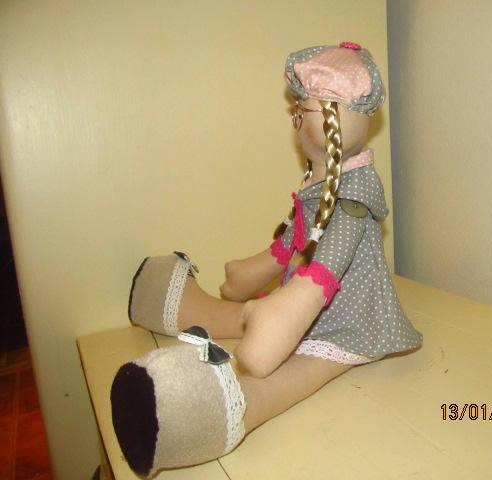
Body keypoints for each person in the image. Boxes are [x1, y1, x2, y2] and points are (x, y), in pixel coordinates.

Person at [112, 42, 423, 478]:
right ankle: (189, 308)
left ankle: (228, 407)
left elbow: (325, 268)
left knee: (294, 372)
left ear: (329, 122)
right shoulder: (321, 185)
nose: (296, 122)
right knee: (260, 318)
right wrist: (252, 273)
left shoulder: (353, 196)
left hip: (353, 324)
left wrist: (285, 313)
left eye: (301, 112)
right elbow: (293, 244)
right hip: (308, 307)